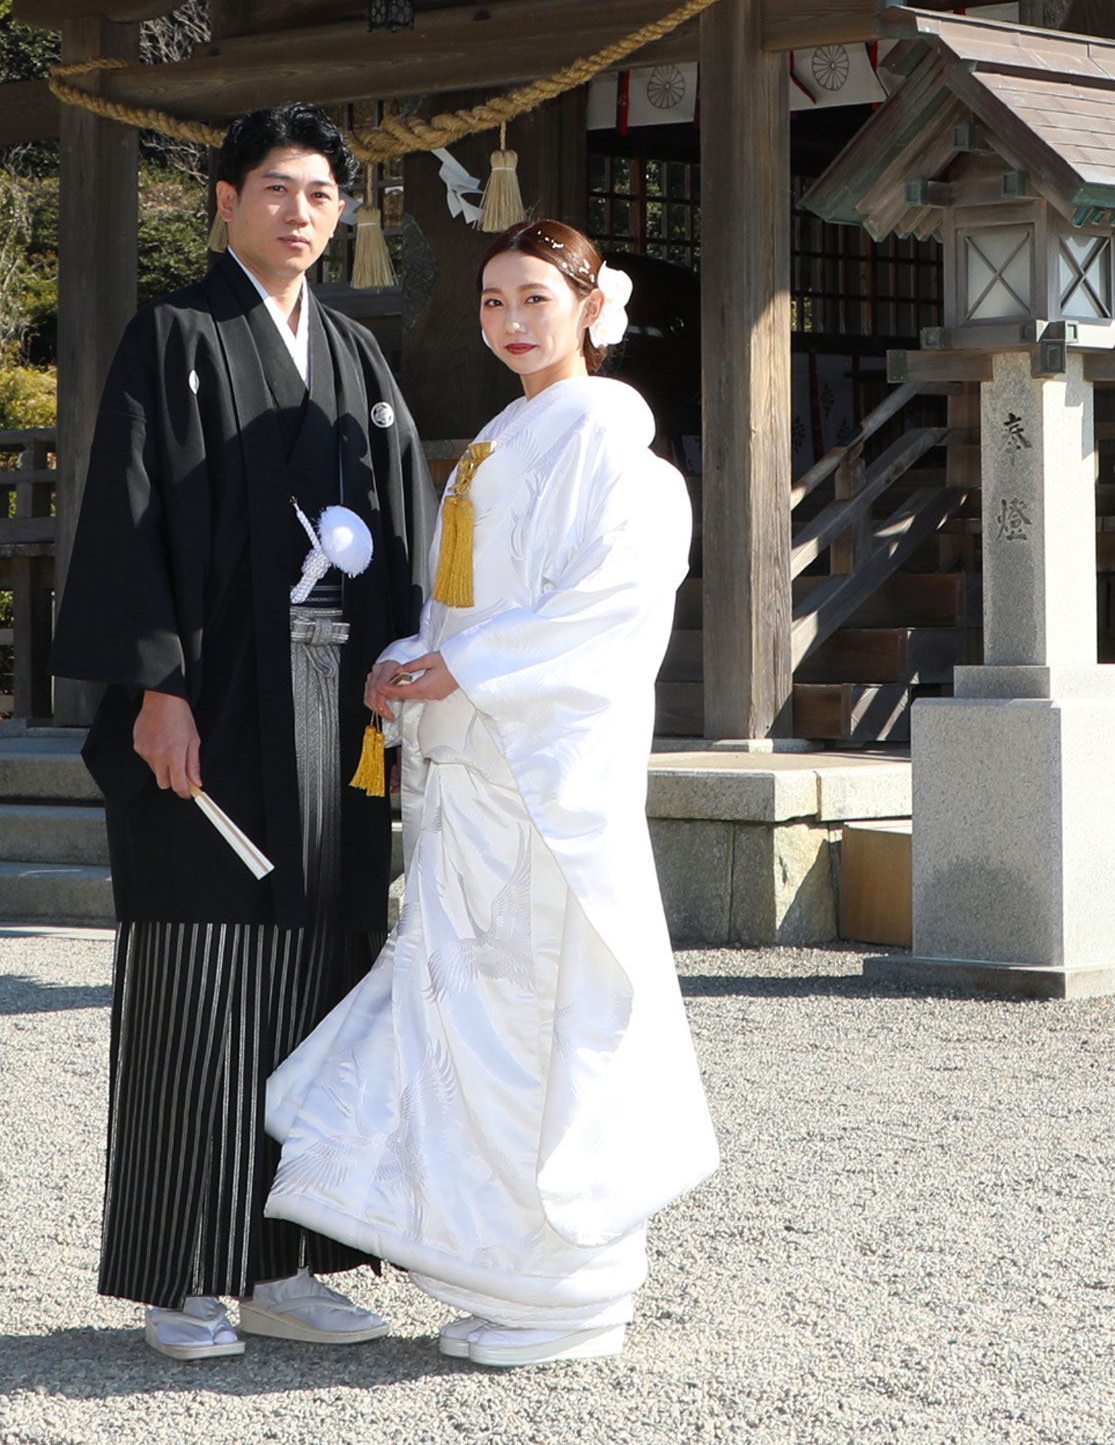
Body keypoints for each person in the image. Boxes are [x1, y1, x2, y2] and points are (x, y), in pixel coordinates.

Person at [263, 218, 717, 1369]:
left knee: (536, 1011)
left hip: (541, 775)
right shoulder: (508, 436)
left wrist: (464, 664)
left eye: (532, 299)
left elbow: (606, 606)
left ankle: (572, 1287)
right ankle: (511, 1272)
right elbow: (471, 601)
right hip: (478, 761)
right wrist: (418, 658)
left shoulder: (609, 442)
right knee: (472, 1008)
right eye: (492, 303)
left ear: (584, 309)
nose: (511, 321)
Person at [49, 102, 431, 1362]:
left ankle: (294, 1256)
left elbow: (404, 529)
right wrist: (153, 685)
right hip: (210, 707)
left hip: (334, 720)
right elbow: (127, 511)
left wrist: (407, 662)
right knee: (200, 974)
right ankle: (183, 1269)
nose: (300, 212)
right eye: (275, 187)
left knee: (325, 971)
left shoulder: (357, 359)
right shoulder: (176, 334)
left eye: (321, 193)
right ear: (223, 199)